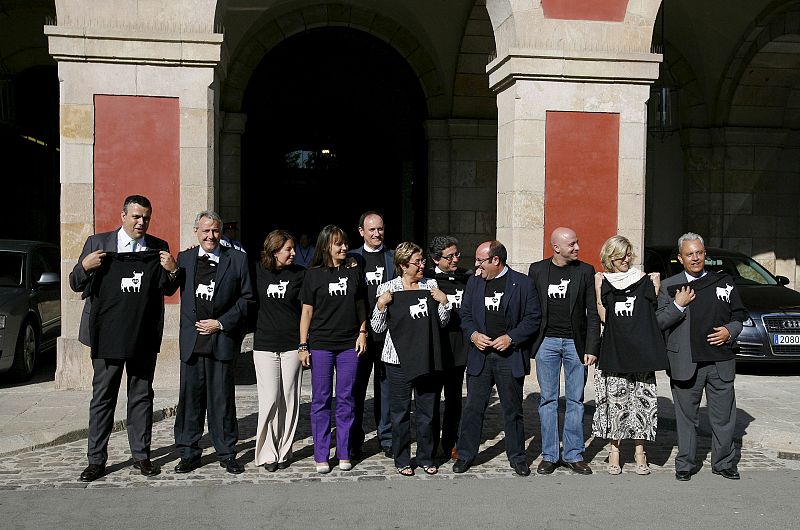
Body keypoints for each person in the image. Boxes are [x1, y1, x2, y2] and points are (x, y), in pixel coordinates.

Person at [69, 194, 179, 482]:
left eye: (146, 218)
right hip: (106, 334)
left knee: (141, 397)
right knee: (103, 397)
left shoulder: (158, 248)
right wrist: (85, 266)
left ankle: (142, 456)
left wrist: (172, 270)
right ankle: (96, 460)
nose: (141, 222)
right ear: (123, 215)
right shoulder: (98, 244)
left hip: (142, 334)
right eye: (136, 216)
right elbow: (74, 282)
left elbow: (168, 289)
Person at [656, 232, 747, 481]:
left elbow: (739, 316)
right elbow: (659, 322)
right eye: (689, 254)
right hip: (686, 363)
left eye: (699, 253)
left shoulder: (724, 281)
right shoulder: (670, 286)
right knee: (686, 419)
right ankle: (685, 464)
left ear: (705, 254)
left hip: (720, 360)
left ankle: (724, 462)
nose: (695, 258)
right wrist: (678, 305)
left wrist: (730, 331)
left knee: (724, 418)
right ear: (680, 258)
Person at [173, 210, 254, 475]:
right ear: (196, 232)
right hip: (193, 341)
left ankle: (227, 452)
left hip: (221, 340)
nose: (211, 236)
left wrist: (220, 323)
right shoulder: (183, 259)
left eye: (215, 231)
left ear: (222, 232)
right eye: (206, 231)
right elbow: (168, 286)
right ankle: (188, 452)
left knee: (222, 400)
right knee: (190, 400)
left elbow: (247, 299)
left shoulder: (238, 260)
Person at [453, 240, 541, 476]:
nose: (476, 266)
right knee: (473, 407)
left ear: (496, 260)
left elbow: (533, 318)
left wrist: (511, 338)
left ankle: (517, 457)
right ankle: (466, 454)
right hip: (480, 356)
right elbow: (466, 314)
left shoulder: (523, 284)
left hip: (509, 356)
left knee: (512, 409)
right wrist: (473, 335)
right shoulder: (474, 281)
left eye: (481, 261)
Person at [591, 235, 668, 475]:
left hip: (641, 351)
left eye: (628, 254)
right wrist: (597, 289)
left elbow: (652, 313)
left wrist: (656, 286)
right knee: (616, 403)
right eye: (620, 255)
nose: (625, 259)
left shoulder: (645, 280)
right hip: (614, 350)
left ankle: (639, 452)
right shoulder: (603, 280)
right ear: (610, 256)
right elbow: (604, 317)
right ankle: (614, 451)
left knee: (642, 403)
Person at [372, 242, 450, 476]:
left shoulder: (431, 285)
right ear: (403, 265)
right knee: (400, 412)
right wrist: (380, 305)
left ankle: (426, 456)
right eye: (418, 262)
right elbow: (377, 327)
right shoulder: (388, 288)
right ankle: (402, 458)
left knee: (428, 411)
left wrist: (444, 302)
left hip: (426, 357)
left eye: (422, 261)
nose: (422, 265)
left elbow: (442, 322)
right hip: (397, 361)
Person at [528, 227, 601, 475]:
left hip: (575, 345)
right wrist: (531, 343)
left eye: (577, 242)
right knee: (547, 400)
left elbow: (592, 313)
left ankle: (573, 454)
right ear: (556, 247)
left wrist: (592, 347)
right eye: (572, 244)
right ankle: (549, 455)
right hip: (546, 343)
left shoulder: (585, 271)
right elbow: (531, 309)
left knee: (575, 401)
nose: (577, 247)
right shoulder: (537, 270)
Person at [300, 225, 368, 473]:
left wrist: (362, 333)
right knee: (320, 399)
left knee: (346, 398)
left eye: (345, 243)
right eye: (338, 244)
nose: (344, 247)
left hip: (349, 343)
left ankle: (344, 452)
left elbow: (361, 304)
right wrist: (303, 344)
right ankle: (320, 454)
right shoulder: (313, 275)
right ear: (326, 246)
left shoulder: (354, 271)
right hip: (320, 344)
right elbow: (306, 311)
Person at [252, 230, 305, 471]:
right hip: (264, 344)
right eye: (288, 249)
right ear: (274, 251)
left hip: (292, 344)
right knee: (270, 398)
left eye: (293, 248)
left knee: (289, 399)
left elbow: (306, 310)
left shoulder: (300, 275)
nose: (293, 253)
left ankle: (284, 451)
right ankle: (266, 452)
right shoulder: (257, 272)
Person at [347, 211, 394, 458]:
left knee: (385, 389)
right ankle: (354, 439)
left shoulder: (393, 258)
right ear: (361, 231)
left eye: (380, 229)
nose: (377, 234)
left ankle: (386, 438)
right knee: (356, 389)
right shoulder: (352, 258)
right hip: (359, 335)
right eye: (372, 230)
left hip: (387, 335)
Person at [424, 235, 471, 460]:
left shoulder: (466, 278)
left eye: (457, 254)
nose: (455, 259)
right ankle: (430, 445)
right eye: (450, 256)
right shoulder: (427, 280)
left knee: (454, 400)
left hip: (459, 348)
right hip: (436, 348)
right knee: (432, 400)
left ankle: (451, 442)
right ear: (435, 259)